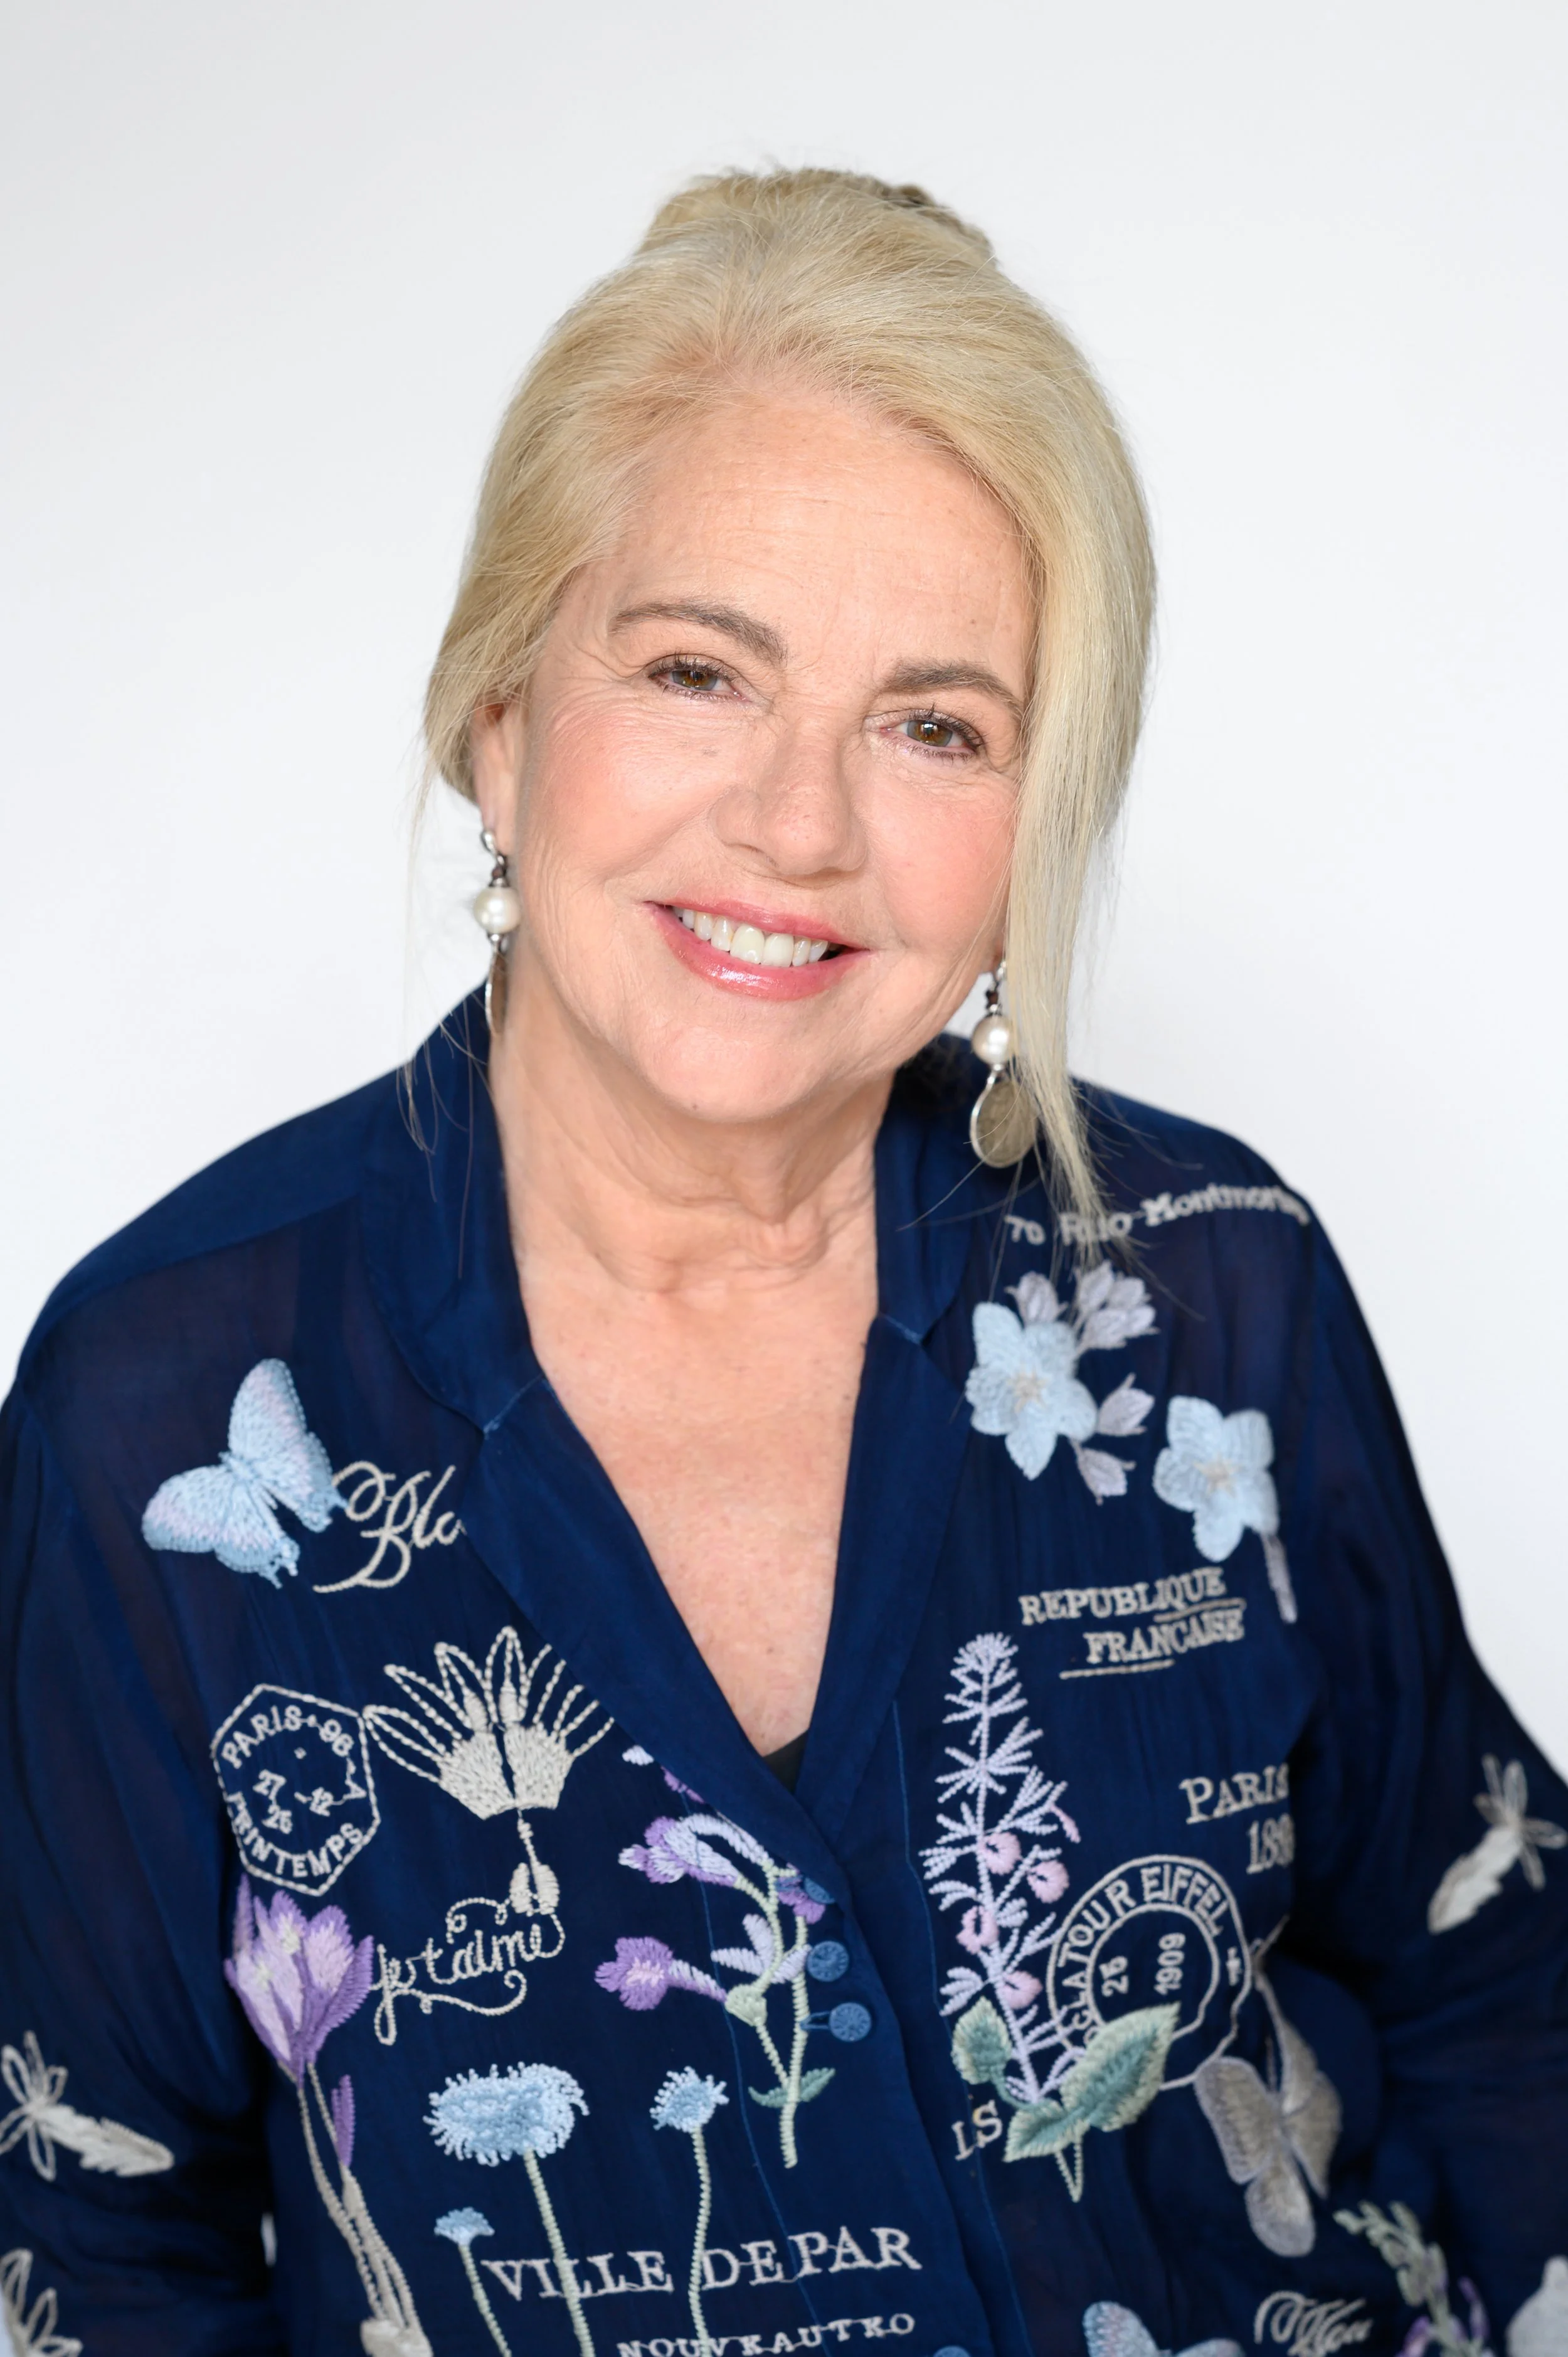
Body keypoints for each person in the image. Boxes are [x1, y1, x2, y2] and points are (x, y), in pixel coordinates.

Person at [1, 168, 1564, 2357]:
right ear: (501, 715)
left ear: (1033, 824)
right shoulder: (160, 1401)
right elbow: (83, 2244)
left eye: (935, 723)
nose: (799, 824)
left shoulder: (1215, 1289)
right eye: (695, 670)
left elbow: (1500, 1973)